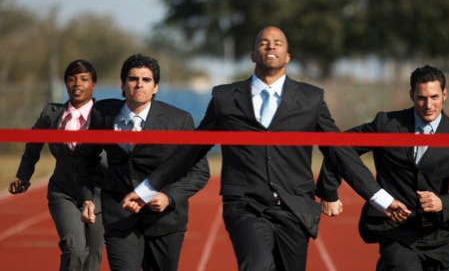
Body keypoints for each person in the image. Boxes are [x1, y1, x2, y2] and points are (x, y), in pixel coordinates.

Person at [121, 26, 410, 271]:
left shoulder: (311, 98)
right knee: (257, 264)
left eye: (278, 43)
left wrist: (381, 199)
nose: (270, 46)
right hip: (246, 206)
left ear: (287, 56)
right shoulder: (225, 97)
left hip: (295, 209)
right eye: (263, 42)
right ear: (252, 54)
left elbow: (340, 152)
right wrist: (147, 189)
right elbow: (191, 150)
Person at [77, 54, 210, 271]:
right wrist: (86, 198)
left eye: (146, 80)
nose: (139, 84)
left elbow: (199, 171)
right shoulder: (102, 115)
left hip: (164, 220)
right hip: (119, 216)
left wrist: (168, 197)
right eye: (133, 79)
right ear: (122, 84)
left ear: (155, 87)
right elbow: (86, 157)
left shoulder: (179, 120)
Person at [339, 65, 449, 270]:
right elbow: (338, 146)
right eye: (421, 98)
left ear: (444, 95)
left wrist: (442, 202)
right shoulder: (386, 124)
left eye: (434, 97)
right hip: (397, 233)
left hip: (439, 236)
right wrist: (330, 191)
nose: (428, 105)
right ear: (411, 95)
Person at [8, 59, 105, 271]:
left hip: (99, 194)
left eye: (84, 79)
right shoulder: (50, 113)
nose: (77, 84)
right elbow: (34, 143)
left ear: (94, 85)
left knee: (92, 261)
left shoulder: (106, 115)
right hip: (63, 192)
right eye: (71, 79)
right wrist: (24, 175)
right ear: (66, 84)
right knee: (75, 249)